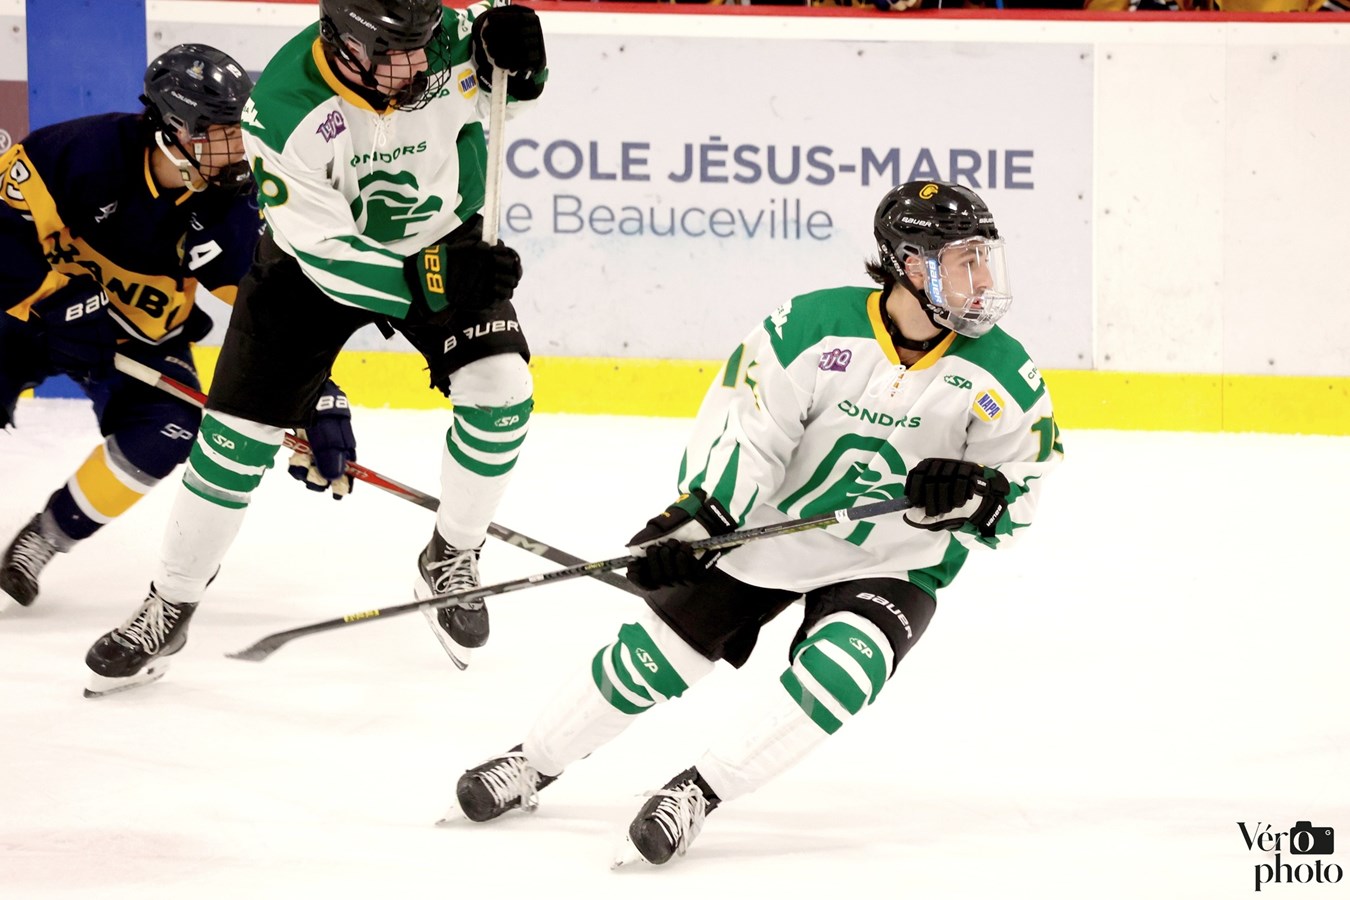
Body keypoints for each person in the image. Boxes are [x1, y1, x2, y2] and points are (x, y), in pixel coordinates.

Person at [450, 181, 1064, 866]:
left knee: (841, 673)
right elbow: (752, 434)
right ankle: (532, 763)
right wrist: (694, 526)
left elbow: (1024, 491)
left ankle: (695, 793)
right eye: (964, 261)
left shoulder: (1005, 372)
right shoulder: (811, 328)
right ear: (910, 264)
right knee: (648, 660)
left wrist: (978, 492)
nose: (982, 280)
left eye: (985, 260)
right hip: (769, 535)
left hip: (892, 560)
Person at [82, 0, 548, 695]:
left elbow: (510, 85)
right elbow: (331, 259)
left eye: (424, 48)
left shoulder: (443, 34)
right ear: (346, 45)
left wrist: (527, 57)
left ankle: (453, 552)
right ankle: (170, 601)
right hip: (313, 267)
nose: (417, 67)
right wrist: (436, 281)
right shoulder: (280, 109)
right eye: (396, 57)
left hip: (442, 235)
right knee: (233, 439)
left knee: (504, 392)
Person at [0, 45, 264, 608]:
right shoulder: (74, 154)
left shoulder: (229, 203)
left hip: (138, 336)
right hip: (32, 317)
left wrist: (316, 392)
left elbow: (266, 312)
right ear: (173, 130)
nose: (236, 150)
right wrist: (54, 303)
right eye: (219, 135)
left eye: (239, 132)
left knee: (170, 427)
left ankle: (45, 538)